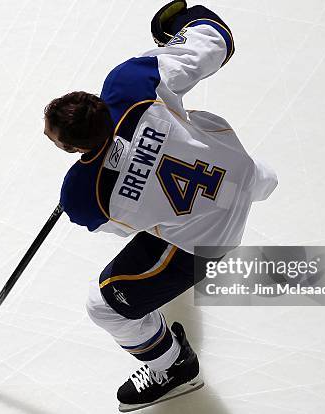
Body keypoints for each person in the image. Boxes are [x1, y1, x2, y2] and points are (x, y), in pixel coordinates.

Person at [43, 1, 277, 411]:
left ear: (74, 147)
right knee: (205, 142)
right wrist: (179, 24)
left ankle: (173, 367)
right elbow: (215, 40)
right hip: (241, 170)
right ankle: (259, 183)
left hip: (212, 237)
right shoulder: (131, 83)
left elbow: (125, 228)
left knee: (106, 308)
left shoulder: (83, 196)